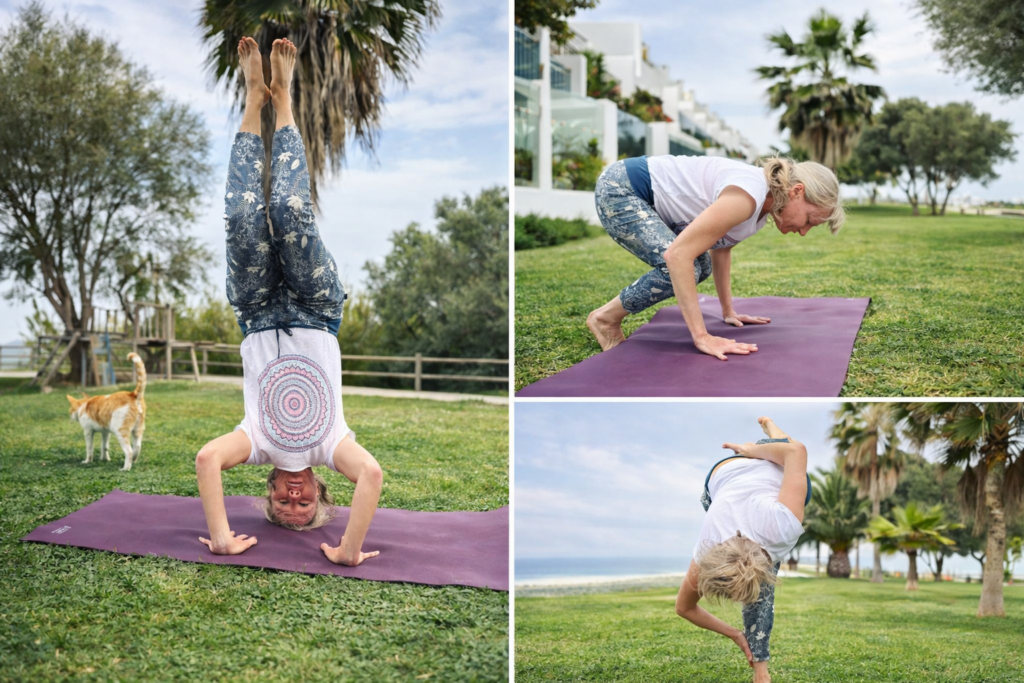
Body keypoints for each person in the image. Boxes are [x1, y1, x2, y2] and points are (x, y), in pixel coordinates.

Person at [195, 36, 383, 567]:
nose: (293, 498)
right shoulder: (332, 445)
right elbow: (371, 475)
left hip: (255, 313)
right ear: (323, 490)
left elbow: (207, 460)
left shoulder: (254, 443)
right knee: (290, 211)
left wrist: (223, 538)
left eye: (283, 504)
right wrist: (348, 550)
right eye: (304, 504)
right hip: (316, 309)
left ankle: (253, 97)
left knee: (241, 217)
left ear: (270, 491)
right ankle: (284, 101)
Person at [586, 154, 846, 360]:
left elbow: (721, 249)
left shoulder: (760, 211)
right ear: (797, 191)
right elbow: (678, 255)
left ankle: (607, 316)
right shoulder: (747, 195)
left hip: (640, 194)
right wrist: (702, 337)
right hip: (622, 188)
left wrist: (728, 311)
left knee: (702, 265)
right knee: (681, 265)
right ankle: (605, 318)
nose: (804, 232)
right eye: (809, 220)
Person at [675, 417, 810, 683]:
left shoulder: (781, 526)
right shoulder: (708, 546)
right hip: (725, 472)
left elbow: (796, 452)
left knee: (791, 462)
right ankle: (770, 436)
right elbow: (684, 608)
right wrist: (735, 634)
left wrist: (752, 450)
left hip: (736, 467)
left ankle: (768, 439)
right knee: (784, 453)